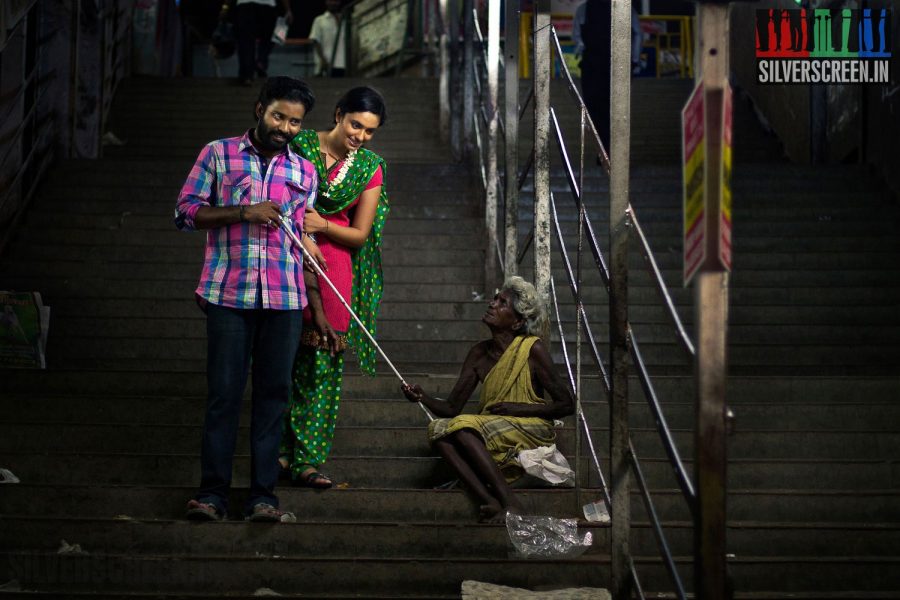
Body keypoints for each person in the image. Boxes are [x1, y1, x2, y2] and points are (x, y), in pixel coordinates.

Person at [175, 76, 322, 522]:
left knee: (273, 397)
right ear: (259, 109)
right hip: (228, 294)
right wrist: (244, 212)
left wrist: (310, 246)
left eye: (295, 122)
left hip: (284, 298)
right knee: (223, 395)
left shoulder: (305, 171)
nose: (286, 128)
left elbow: (302, 227)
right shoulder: (217, 153)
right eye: (279, 116)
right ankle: (212, 495)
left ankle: (263, 497)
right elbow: (185, 212)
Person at [278, 86, 390, 488]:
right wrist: (302, 228)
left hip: (334, 268)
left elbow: (360, 234)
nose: (360, 136)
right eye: (355, 125)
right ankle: (277, 450)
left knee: (321, 369)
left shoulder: (370, 166)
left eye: (370, 131)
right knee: (281, 362)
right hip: (283, 258)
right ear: (339, 114)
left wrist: (322, 225)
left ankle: (307, 459)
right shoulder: (299, 143)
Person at [401, 277, 575, 523]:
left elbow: (566, 404)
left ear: (517, 322)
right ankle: (489, 500)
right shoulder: (478, 353)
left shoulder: (531, 349)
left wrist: (518, 409)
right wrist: (423, 397)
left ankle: (511, 503)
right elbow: (452, 408)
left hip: (530, 427)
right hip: (491, 427)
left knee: (462, 429)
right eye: (495, 299)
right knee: (438, 430)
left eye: (502, 302)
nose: (492, 304)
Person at [233, 0, 294, 86]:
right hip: (267, 6)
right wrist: (288, 10)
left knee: (246, 41)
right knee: (270, 37)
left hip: (244, 6)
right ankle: (261, 61)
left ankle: (247, 75)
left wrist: (225, 9)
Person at [309, 0, 347, 77]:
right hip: (327, 64)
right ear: (326, 2)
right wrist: (323, 60)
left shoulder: (345, 20)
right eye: (330, 1)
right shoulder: (319, 20)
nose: (333, 3)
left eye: (335, 1)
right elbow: (315, 41)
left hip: (344, 64)